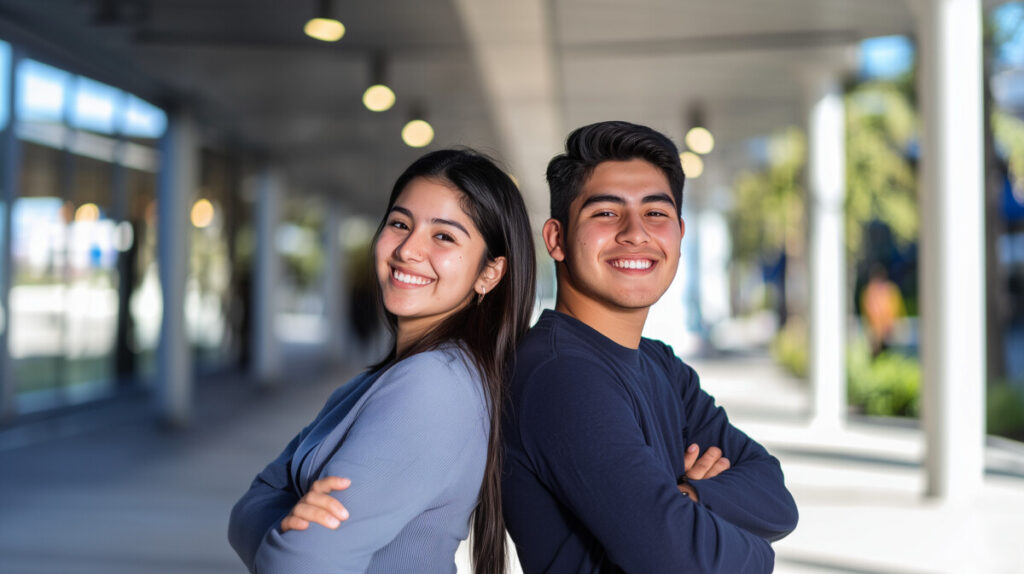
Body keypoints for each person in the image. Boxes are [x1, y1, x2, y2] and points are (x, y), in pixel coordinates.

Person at [502, 121, 799, 573]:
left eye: (656, 214)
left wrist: (688, 497)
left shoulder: (660, 364)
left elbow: (776, 498)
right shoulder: (560, 376)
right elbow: (681, 559)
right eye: (605, 213)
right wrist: (755, 548)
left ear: (679, 234)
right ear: (556, 239)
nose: (635, 233)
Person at [229, 148, 536, 574]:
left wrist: (279, 520)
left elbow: (295, 563)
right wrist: (282, 522)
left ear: (490, 273)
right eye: (399, 224)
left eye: (443, 236)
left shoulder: (433, 387)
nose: (408, 249)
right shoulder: (389, 379)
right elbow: (250, 502)